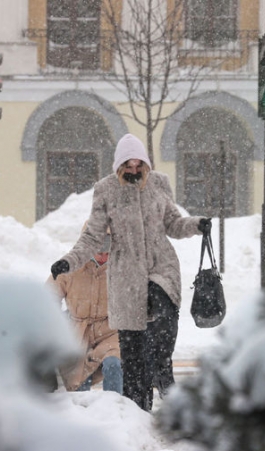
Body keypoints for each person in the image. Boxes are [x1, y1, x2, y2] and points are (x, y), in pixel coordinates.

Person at [50, 133, 211, 410]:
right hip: (125, 274)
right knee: (133, 353)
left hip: (161, 265)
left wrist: (196, 225)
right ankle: (138, 411)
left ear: (146, 164)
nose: (134, 170)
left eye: (139, 165)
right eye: (129, 165)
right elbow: (92, 236)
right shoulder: (106, 190)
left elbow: (172, 223)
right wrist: (69, 261)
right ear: (119, 166)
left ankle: (162, 366)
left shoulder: (159, 184)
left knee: (162, 313)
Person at [46, 229, 122, 394]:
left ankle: (117, 408)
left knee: (114, 364)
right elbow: (48, 299)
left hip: (110, 331)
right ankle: (81, 413)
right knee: (77, 380)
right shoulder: (69, 266)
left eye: (108, 252)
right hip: (78, 334)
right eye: (99, 251)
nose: (103, 256)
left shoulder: (122, 268)